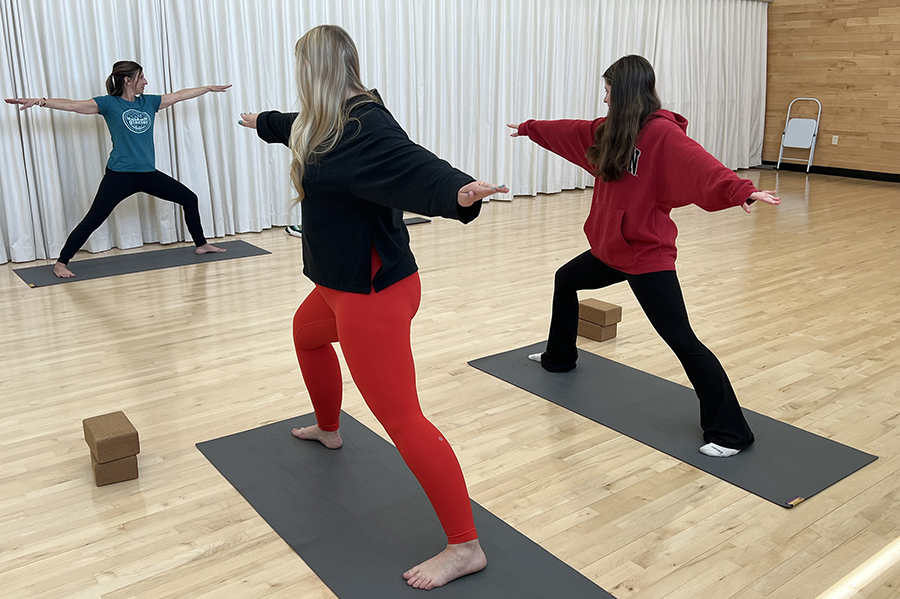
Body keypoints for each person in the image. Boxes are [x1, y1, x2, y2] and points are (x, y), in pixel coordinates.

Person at [238, 25, 507, 590]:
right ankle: (330, 427)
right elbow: (295, 128)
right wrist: (261, 122)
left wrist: (457, 190)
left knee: (402, 418)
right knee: (306, 334)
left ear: (320, 69)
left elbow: (410, 162)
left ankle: (465, 546)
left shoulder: (366, 123)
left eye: (303, 67)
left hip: (373, 294)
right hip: (340, 285)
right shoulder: (325, 121)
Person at [508, 54, 780, 459]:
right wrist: (531, 129)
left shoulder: (661, 135)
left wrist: (741, 189)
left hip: (646, 254)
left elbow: (701, 164)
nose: (603, 98)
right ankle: (559, 358)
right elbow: (571, 131)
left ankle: (731, 433)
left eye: (607, 90)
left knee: (682, 340)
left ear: (624, 91)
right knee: (566, 278)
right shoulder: (610, 131)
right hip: (611, 248)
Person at [5, 61, 230, 277]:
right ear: (128, 80)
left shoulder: (148, 103)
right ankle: (61, 262)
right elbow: (73, 105)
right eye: (141, 77)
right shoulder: (109, 104)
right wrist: (39, 101)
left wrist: (208, 88)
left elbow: (179, 95)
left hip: (148, 174)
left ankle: (201, 244)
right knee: (93, 220)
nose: (146, 82)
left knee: (189, 198)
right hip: (120, 175)